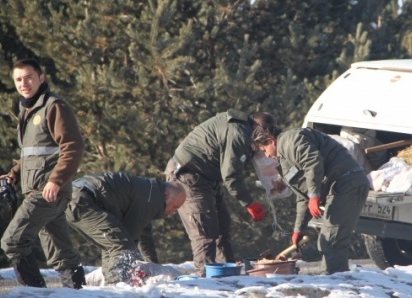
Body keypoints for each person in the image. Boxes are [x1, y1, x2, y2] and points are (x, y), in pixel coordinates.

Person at [0, 58, 86, 288]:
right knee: (62, 254)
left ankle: (34, 294)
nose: (23, 83)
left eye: (29, 77)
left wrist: (56, 180)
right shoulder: (27, 109)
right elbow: (33, 154)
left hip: (46, 191)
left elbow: (73, 147)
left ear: (41, 78)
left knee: (13, 241)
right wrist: (13, 174)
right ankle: (77, 293)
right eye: (18, 79)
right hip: (40, 190)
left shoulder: (53, 106)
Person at [164, 110, 275, 276]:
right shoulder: (238, 134)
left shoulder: (245, 130)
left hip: (207, 177)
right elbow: (231, 176)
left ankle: (227, 276)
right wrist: (249, 203)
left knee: (222, 226)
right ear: (257, 128)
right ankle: (206, 282)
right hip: (187, 175)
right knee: (205, 231)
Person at [251, 126, 370, 274]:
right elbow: (303, 196)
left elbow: (312, 161)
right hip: (341, 186)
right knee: (329, 241)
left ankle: (336, 284)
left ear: (270, 141)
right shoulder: (285, 154)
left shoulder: (291, 140)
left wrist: (314, 195)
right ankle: (332, 280)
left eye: (264, 150)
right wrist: (298, 229)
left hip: (347, 183)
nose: (267, 156)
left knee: (331, 241)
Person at [66, 172, 186, 285]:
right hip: (83, 199)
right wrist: (138, 268)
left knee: (114, 245)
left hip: (74, 196)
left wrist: (153, 266)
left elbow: (145, 234)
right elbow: (129, 238)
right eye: (175, 206)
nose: (172, 212)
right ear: (166, 194)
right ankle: (117, 289)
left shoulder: (149, 192)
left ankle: (110, 287)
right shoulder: (152, 199)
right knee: (121, 246)